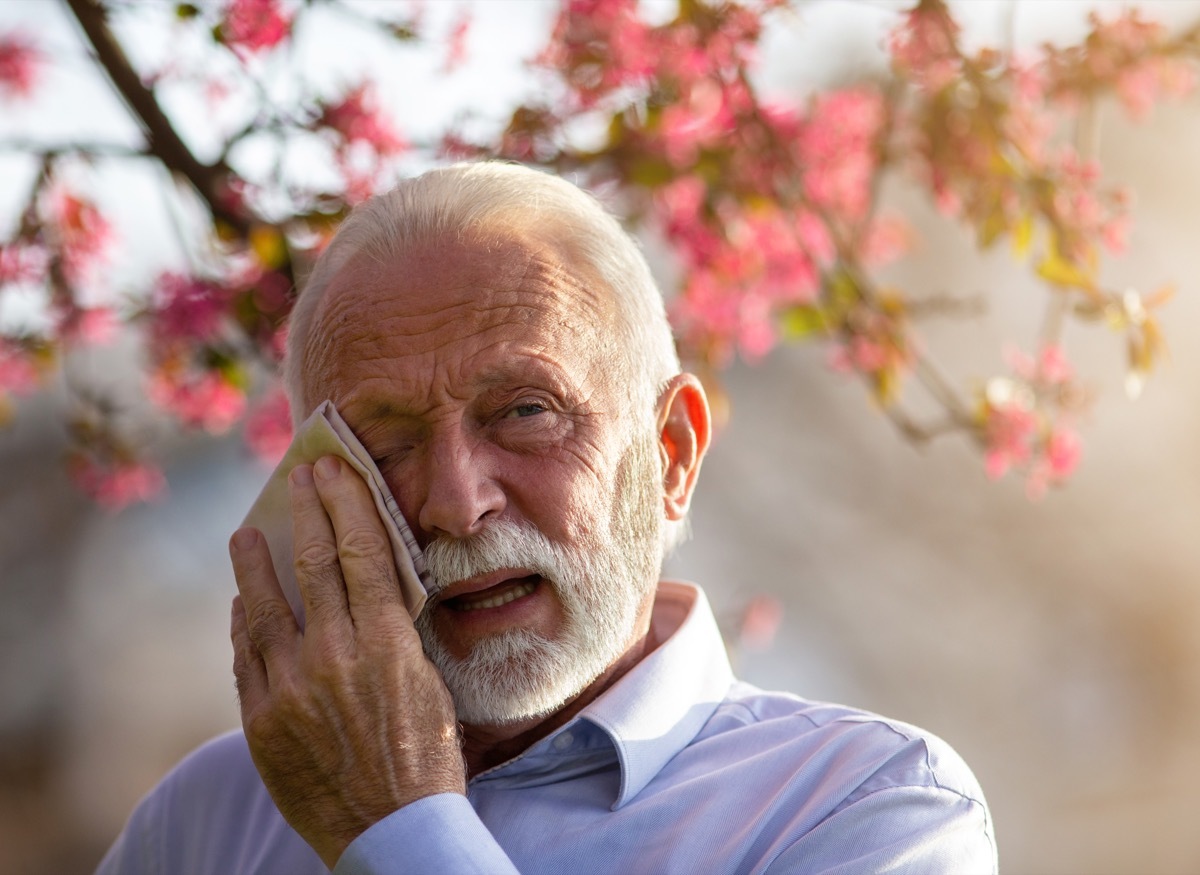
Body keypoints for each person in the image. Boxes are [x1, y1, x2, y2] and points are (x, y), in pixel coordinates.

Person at [97, 162, 997, 874]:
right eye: (387, 444)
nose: (457, 500)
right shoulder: (204, 817)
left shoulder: (869, 807)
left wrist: (395, 824)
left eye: (527, 411)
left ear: (672, 453)